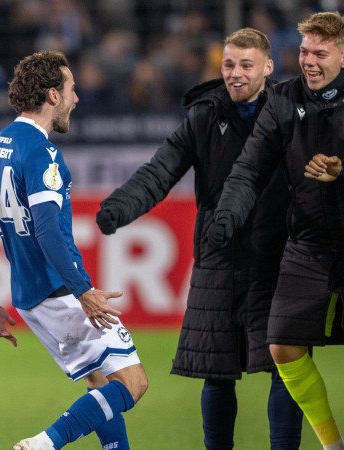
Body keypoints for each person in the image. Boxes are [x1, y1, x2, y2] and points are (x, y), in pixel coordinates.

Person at [95, 28, 303, 450]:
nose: (235, 73)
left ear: (268, 67)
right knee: (216, 372)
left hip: (277, 258)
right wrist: (120, 207)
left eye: (246, 65)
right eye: (229, 64)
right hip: (219, 258)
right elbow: (161, 170)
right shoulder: (205, 115)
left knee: (287, 369)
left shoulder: (292, 114)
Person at [207, 12, 344, 450]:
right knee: (282, 347)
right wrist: (228, 213)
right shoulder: (283, 100)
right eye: (305, 51)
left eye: (320, 53)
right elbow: (250, 166)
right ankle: (333, 445)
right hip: (306, 241)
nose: (309, 61)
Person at [0, 51, 147, 450]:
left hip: (29, 297)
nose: (76, 98)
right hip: (60, 289)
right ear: (52, 95)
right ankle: (45, 443)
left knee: (98, 381)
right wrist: (83, 290)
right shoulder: (41, 152)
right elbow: (48, 230)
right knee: (132, 383)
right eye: (71, 89)